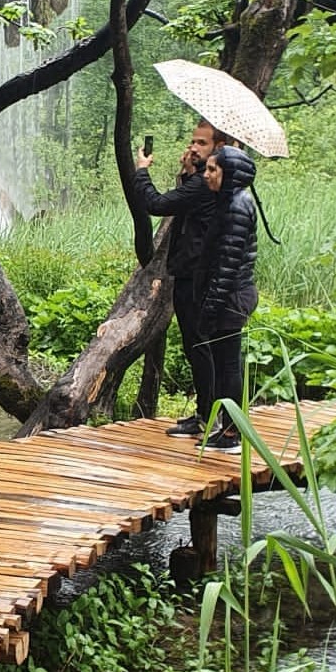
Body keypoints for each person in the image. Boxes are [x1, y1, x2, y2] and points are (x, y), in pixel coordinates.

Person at [131, 121, 240, 437]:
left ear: (219, 148)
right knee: (198, 348)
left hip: (197, 276)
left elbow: (157, 204)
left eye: (201, 143)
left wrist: (142, 171)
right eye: (193, 141)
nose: (193, 147)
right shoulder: (208, 181)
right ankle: (207, 414)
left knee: (202, 349)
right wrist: (189, 173)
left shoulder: (206, 185)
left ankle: (213, 419)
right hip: (193, 272)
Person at [196, 146, 260, 451]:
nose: (206, 175)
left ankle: (233, 433)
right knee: (224, 364)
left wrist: (210, 307)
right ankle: (228, 428)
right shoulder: (229, 202)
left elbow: (227, 265)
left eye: (212, 170)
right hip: (228, 295)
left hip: (231, 297)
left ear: (230, 174)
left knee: (228, 366)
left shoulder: (236, 207)